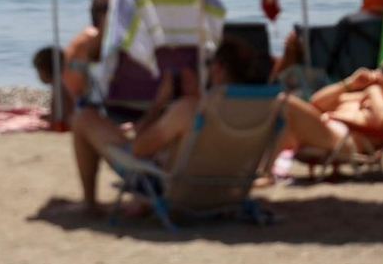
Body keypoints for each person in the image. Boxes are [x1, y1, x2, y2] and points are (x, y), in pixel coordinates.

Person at [68, 36, 260, 216]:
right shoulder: (254, 109)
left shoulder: (189, 109)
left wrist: (160, 102)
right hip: (225, 192)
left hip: (176, 190)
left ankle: (89, 204)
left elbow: (137, 149)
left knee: (84, 118)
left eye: (207, 63)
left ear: (218, 68)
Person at [277, 55, 383, 162]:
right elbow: (317, 103)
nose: (377, 73)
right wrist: (349, 84)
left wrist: (374, 90)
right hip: (327, 131)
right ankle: (260, 170)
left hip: (342, 142)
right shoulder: (367, 96)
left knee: (285, 102)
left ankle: (267, 175)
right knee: (275, 111)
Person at [60, 0, 110, 104]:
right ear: (104, 16)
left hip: (70, 97)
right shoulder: (94, 37)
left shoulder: (88, 33)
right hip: (76, 100)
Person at [33, 45, 71, 128]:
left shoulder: (59, 89)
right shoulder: (60, 85)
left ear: (43, 70)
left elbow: (63, 115)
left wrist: (51, 118)